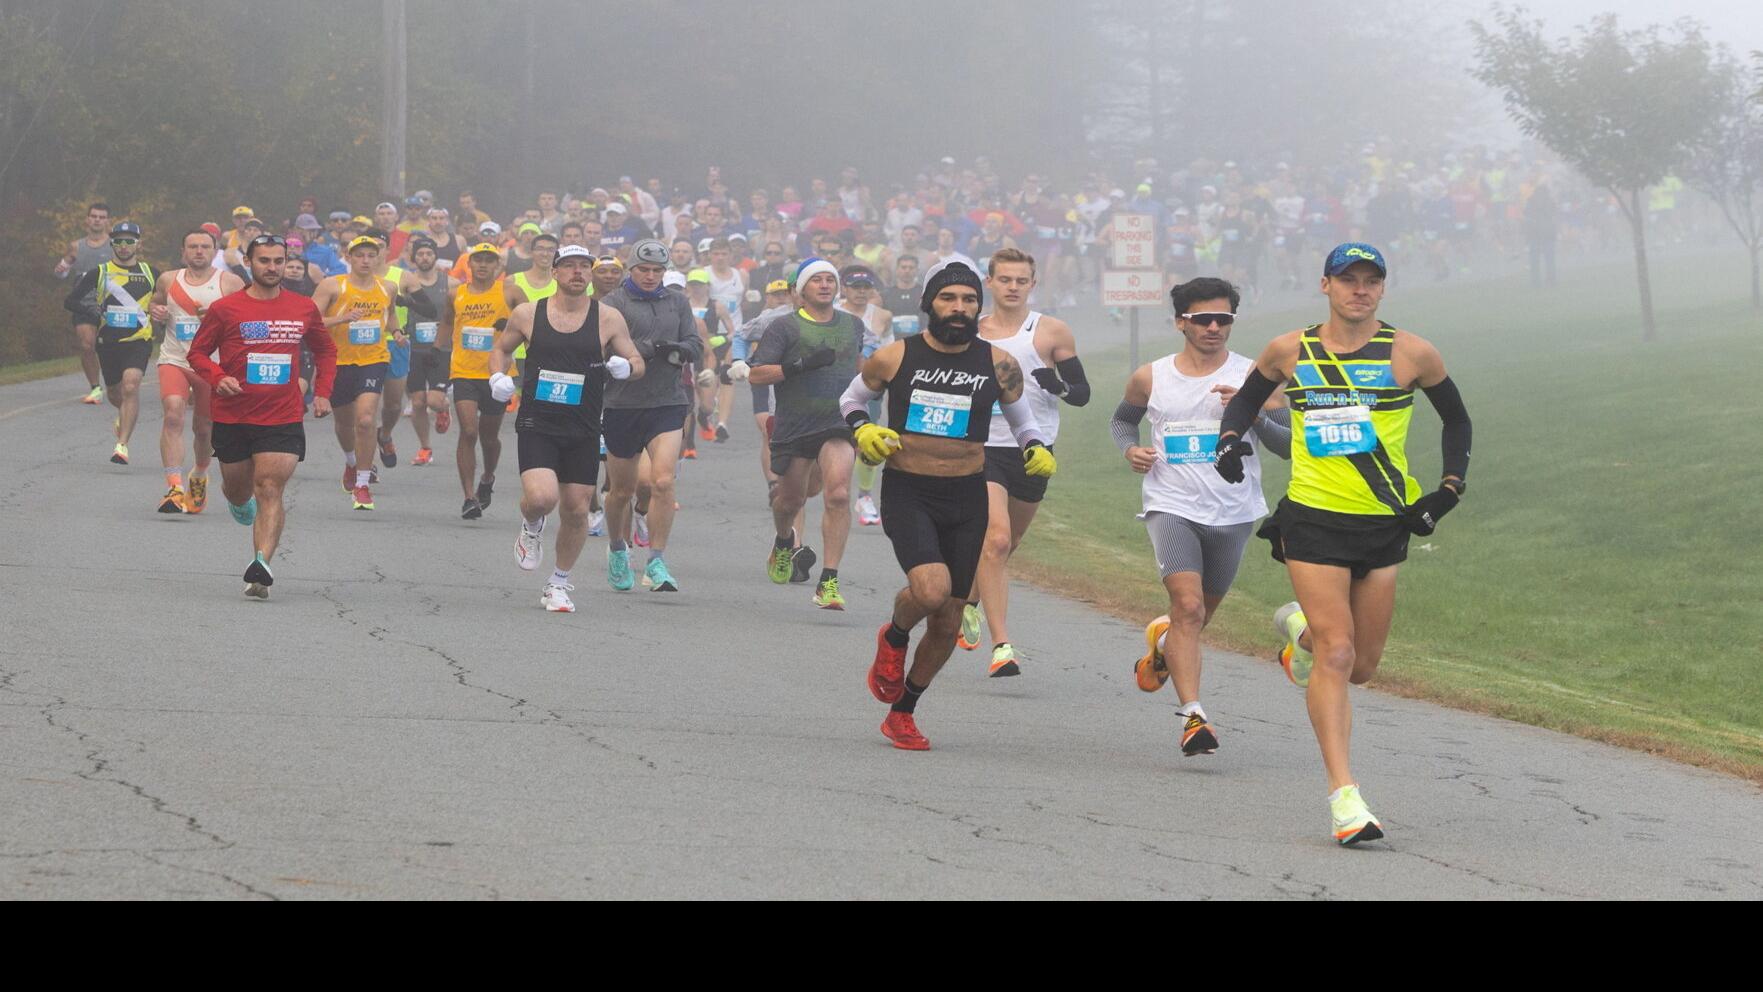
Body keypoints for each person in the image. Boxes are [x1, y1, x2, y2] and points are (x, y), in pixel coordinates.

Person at [1213, 243, 1472, 845]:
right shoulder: (1289, 350)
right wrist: (1229, 441)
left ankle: (1297, 631)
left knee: (1361, 666)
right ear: (1325, 285)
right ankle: (1345, 799)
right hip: (1313, 520)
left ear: (1382, 288)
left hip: (1385, 521)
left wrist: (1447, 490)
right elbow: (1248, 399)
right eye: (1348, 279)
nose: (1361, 290)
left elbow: (1457, 419)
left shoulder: (1411, 353)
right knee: (1337, 653)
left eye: (1371, 281)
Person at [838, 262, 1057, 751]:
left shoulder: (999, 363)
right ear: (929, 304)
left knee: (950, 617)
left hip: (967, 494)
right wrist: (864, 430)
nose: (959, 308)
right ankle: (894, 635)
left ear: (978, 307)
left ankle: (903, 713)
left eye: (968, 300)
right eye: (948, 299)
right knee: (931, 590)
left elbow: (1024, 423)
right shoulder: (896, 356)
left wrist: (1036, 448)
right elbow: (851, 401)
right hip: (910, 489)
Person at [1114, 277, 1290, 757]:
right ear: (1180, 323)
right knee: (1188, 606)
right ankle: (1194, 717)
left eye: (1224, 319)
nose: (1214, 327)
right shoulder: (1151, 376)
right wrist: (1131, 449)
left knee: (1198, 617)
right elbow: (1121, 420)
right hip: (1171, 505)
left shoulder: (1258, 374)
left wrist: (1252, 413)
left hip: (1233, 511)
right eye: (1202, 319)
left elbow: (1289, 446)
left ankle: (1163, 645)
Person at [957, 249, 1090, 676]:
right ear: (990, 282)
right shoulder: (969, 333)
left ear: (1032, 284)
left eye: (1021, 281)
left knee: (1007, 544)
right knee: (993, 540)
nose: (1013, 287)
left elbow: (1082, 392)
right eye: (1005, 280)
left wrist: (1059, 385)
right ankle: (1002, 646)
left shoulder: (1051, 331)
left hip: (1034, 449)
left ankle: (969, 601)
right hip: (981, 447)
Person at [493, 245, 645, 612]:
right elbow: (501, 349)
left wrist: (628, 367)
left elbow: (636, 360)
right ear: (556, 272)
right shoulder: (529, 313)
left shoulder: (608, 318)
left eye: (584, 266)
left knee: (577, 509)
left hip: (584, 425)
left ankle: (558, 584)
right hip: (538, 422)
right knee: (543, 498)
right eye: (569, 266)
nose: (577, 272)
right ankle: (531, 526)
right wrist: (498, 376)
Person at [186, 234, 337, 599]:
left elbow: (326, 352)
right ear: (249, 264)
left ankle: (261, 567)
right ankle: (240, 504)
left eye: (278, 261)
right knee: (238, 489)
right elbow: (198, 354)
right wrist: (218, 378)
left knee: (270, 487)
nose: (272, 267)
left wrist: (322, 394)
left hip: (282, 416)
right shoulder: (227, 309)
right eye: (264, 261)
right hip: (234, 416)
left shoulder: (302, 308)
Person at [748, 259, 865, 609]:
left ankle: (828, 580)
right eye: (817, 280)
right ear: (801, 290)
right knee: (790, 501)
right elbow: (756, 375)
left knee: (840, 495)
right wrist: (799, 365)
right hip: (796, 424)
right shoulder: (784, 327)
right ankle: (785, 541)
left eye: (831, 279)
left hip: (838, 423)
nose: (825, 285)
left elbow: (858, 368)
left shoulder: (854, 325)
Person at [599, 239, 706, 593]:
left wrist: (678, 349)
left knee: (662, 482)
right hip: (622, 404)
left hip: (667, 402)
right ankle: (617, 548)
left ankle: (657, 561)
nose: (650, 276)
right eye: (643, 270)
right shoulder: (612, 303)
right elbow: (599, 348)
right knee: (622, 490)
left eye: (657, 271)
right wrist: (648, 350)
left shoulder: (676, 301)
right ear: (631, 269)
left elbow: (695, 344)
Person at [147, 228, 244, 513]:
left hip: (211, 366)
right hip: (175, 359)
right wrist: (157, 312)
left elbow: (245, 323)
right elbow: (155, 302)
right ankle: (174, 487)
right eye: (193, 246)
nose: (199, 251)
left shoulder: (230, 282)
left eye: (205, 246)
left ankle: (199, 472)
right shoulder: (168, 279)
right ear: (183, 252)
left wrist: (218, 317)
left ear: (215, 252)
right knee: (173, 413)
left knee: (204, 429)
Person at [311, 235, 402, 510]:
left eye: (370, 255)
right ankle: (351, 462)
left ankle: (362, 484)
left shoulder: (388, 287)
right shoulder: (332, 285)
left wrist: (396, 332)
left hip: (374, 359)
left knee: (365, 420)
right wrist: (341, 318)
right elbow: (309, 319)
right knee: (345, 422)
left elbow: (391, 314)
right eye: (359, 255)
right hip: (338, 361)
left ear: (378, 258)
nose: (365, 260)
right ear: (348, 258)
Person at [65, 221, 156, 464]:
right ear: (112, 243)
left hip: (139, 339)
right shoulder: (100, 272)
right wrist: (94, 312)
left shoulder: (151, 272)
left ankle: (122, 445)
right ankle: (123, 414)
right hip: (108, 341)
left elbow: (168, 299)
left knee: (131, 385)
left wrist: (162, 311)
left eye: (129, 241)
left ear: (139, 244)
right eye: (118, 241)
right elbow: (71, 301)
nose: (124, 246)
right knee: (117, 393)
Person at [449, 242, 514, 519]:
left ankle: (487, 477)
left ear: (498, 266)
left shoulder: (509, 291)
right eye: (478, 260)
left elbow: (530, 321)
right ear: (469, 264)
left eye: (490, 260)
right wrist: (436, 361)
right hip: (463, 371)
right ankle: (468, 497)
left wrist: (510, 327)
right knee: (469, 431)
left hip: (496, 374)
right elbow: (444, 324)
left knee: (489, 437)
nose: (483, 265)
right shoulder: (456, 294)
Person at [55, 202, 113, 403]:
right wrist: (63, 267)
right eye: (94, 216)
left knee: (113, 346)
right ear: (87, 219)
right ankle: (95, 388)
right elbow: (61, 273)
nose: (97, 220)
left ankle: (116, 383)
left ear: (107, 221)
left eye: (101, 216)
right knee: (87, 345)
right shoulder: (76, 246)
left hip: (109, 300)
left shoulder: (115, 244)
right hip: (83, 301)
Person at [403, 236, 454, 466]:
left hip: (442, 348)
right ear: (414, 257)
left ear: (435, 257)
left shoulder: (450, 283)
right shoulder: (406, 282)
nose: (424, 257)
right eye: (420, 253)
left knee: (433, 400)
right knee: (417, 402)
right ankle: (425, 448)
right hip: (413, 348)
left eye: (429, 253)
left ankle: (443, 408)